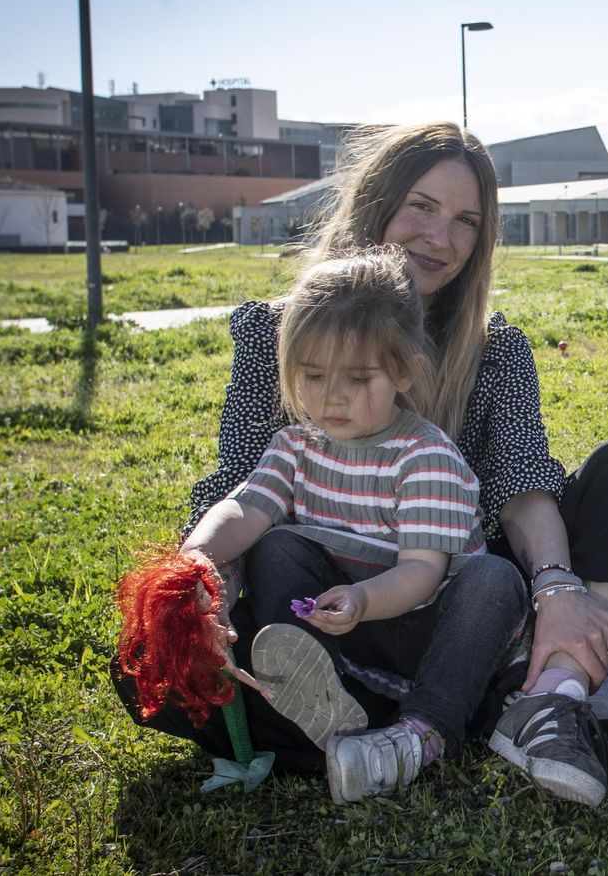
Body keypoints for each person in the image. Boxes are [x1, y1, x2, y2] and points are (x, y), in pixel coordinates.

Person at [121, 122, 608, 808]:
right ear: (377, 204)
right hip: (320, 612)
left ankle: (476, 704)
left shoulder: (494, 349)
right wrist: (200, 583)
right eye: (421, 206)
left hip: (459, 607)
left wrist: (557, 589)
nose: (441, 238)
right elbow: (244, 489)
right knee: (151, 668)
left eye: (466, 221)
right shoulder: (276, 333)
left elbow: (519, 478)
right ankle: (437, 720)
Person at [175, 247, 524, 803]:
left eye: (357, 378)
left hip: (425, 633)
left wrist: (362, 599)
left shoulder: (424, 457)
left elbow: (421, 573)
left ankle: (423, 731)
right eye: (312, 375)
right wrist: (193, 560)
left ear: (405, 371)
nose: (331, 397)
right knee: (277, 544)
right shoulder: (294, 445)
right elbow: (244, 507)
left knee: (496, 581)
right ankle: (321, 695)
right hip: (340, 633)